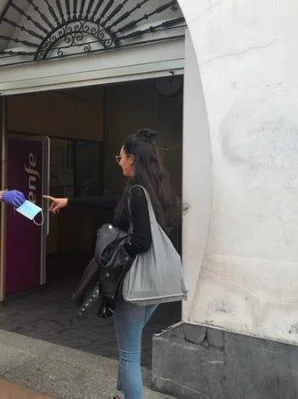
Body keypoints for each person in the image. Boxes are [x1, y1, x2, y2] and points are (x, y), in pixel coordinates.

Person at [44, 129, 180, 399]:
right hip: (155, 282)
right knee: (131, 343)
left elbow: (141, 241)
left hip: (134, 283)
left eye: (119, 157)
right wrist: (70, 201)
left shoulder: (138, 193)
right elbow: (110, 202)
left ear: (131, 159)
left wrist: (113, 253)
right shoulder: (151, 190)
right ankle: (122, 394)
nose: (118, 162)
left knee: (129, 354)